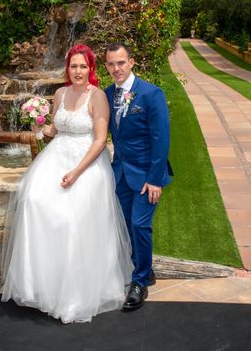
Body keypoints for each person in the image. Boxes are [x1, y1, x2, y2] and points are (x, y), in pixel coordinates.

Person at [1, 44, 133, 324]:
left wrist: (76, 172)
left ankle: (74, 295)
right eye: (73, 66)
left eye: (83, 66)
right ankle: (41, 284)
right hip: (56, 156)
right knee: (33, 199)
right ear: (67, 69)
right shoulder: (59, 93)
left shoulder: (97, 97)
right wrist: (37, 122)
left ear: (91, 69)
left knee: (71, 219)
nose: (78, 71)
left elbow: (100, 141)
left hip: (87, 163)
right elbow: (54, 129)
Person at [104, 42, 172, 310]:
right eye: (111, 64)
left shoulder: (151, 94)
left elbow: (161, 138)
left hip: (146, 175)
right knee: (127, 224)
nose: (116, 68)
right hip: (120, 173)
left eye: (121, 62)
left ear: (131, 62)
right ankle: (145, 268)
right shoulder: (108, 94)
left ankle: (139, 283)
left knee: (139, 225)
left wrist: (155, 178)